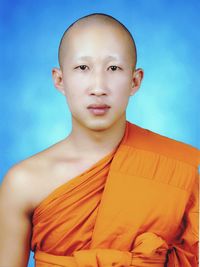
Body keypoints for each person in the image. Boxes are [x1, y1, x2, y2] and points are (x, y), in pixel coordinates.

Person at [0, 13, 199, 267]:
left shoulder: (174, 170)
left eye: (113, 68)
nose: (98, 87)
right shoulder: (23, 183)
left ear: (135, 81)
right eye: (83, 68)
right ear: (59, 80)